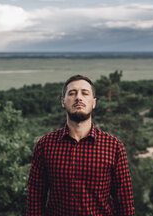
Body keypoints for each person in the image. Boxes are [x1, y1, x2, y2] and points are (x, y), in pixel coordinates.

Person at [26, 74, 135, 215]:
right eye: (72, 93)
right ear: (63, 102)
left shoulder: (114, 147)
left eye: (85, 93)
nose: (78, 97)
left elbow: (125, 204)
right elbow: (35, 199)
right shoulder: (45, 145)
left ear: (94, 102)